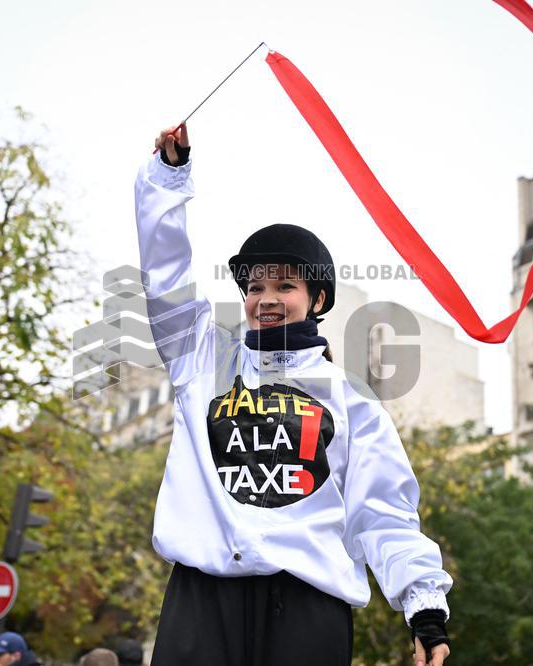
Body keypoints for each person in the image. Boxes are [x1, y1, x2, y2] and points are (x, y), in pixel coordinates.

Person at [133, 124, 453, 666]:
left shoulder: (352, 398)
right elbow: (165, 278)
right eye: (256, 286)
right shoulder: (202, 359)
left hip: (308, 607)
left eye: (285, 285)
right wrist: (167, 179)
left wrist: (424, 608)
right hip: (203, 604)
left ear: (317, 298)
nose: (267, 298)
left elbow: (382, 510)